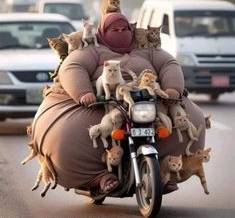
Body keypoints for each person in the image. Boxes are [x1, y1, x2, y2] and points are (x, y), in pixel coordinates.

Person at [31, 12, 206, 195]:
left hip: (146, 101)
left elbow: (169, 64)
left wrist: (172, 89)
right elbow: (73, 67)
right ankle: (99, 177)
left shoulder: (147, 50)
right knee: (69, 134)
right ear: (103, 31)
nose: (120, 33)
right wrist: (84, 93)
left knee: (188, 120)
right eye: (114, 29)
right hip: (104, 103)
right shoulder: (92, 50)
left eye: (124, 29)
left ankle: (162, 172)